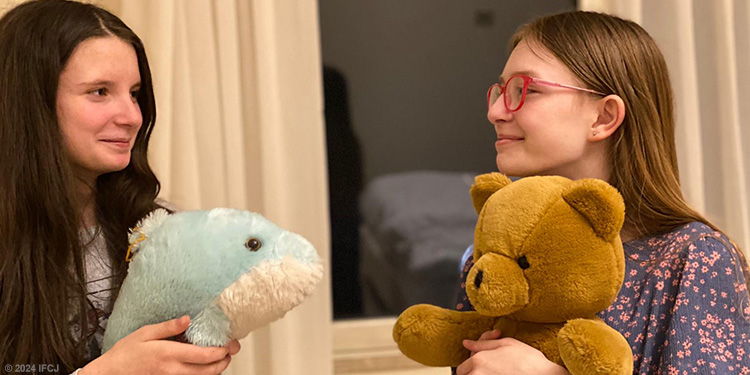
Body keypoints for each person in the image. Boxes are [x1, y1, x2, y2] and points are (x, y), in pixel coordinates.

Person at [453, 11, 750, 375]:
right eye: (501, 91)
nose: (496, 111)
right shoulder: (494, 256)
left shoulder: (694, 261)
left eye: (525, 91)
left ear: (604, 117)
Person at [0, 1, 240, 373]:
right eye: (99, 91)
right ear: (31, 102)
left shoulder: (158, 229)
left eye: (134, 93)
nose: (132, 116)